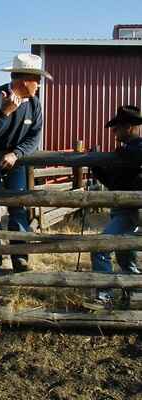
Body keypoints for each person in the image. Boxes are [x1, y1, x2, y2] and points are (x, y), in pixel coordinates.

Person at [0, 53, 53, 272]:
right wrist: (5, 112)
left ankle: (19, 255)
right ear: (24, 81)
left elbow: (34, 137)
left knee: (18, 207)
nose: (38, 85)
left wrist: (16, 154)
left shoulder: (35, 105)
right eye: (36, 80)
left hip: (16, 163)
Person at [90, 105, 142, 307]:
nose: (113, 133)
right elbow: (114, 183)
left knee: (101, 247)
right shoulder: (125, 152)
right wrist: (96, 165)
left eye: (116, 128)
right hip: (121, 209)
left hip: (130, 210)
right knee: (124, 255)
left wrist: (121, 152)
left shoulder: (135, 148)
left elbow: (135, 155)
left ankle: (105, 297)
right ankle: (135, 293)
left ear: (128, 127)